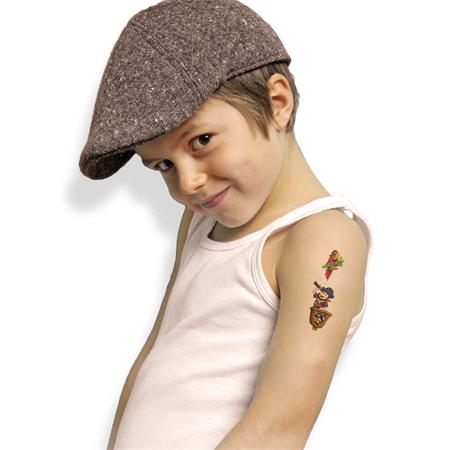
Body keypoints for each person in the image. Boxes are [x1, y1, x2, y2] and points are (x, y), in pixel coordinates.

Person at [78, 1, 373, 449]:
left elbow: (278, 429)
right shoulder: (200, 220)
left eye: (201, 140)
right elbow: (158, 352)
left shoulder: (323, 242)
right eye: (162, 165)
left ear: (277, 102)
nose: (187, 183)